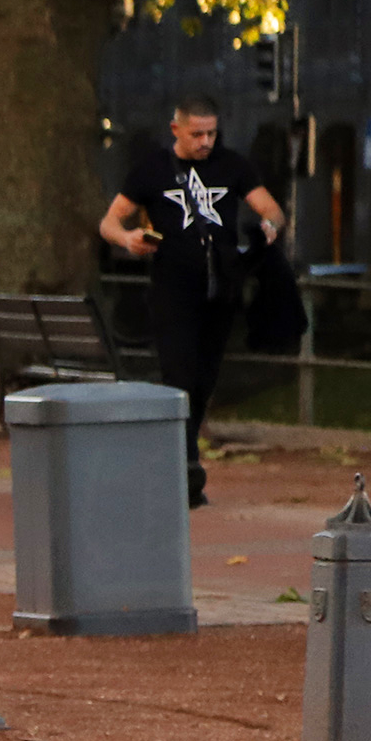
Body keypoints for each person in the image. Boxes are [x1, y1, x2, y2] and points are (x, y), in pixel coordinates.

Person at [99, 94, 287, 507]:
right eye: (197, 133)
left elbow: (270, 208)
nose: (205, 141)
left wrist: (270, 225)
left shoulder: (233, 165)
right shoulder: (151, 171)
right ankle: (185, 472)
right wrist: (128, 237)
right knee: (179, 379)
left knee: (203, 382)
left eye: (211, 133)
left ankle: (181, 461)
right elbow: (109, 222)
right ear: (176, 130)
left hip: (219, 289)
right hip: (172, 291)